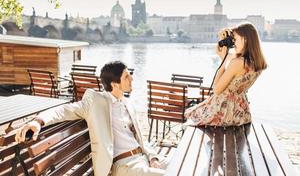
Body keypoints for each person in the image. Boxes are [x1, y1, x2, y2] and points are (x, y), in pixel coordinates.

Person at [15, 61, 167, 176]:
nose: (132, 79)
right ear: (115, 84)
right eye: (127, 76)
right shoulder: (96, 102)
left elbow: (141, 139)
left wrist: (153, 158)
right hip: (124, 166)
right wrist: (38, 121)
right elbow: (64, 110)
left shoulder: (127, 104)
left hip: (143, 158)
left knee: (185, 167)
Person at [185, 23, 267, 126]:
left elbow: (217, 90)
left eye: (235, 39)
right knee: (194, 112)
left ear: (245, 39)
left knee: (191, 114)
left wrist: (223, 62)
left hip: (224, 112)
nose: (233, 43)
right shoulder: (257, 62)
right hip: (242, 112)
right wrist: (224, 55)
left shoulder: (237, 62)